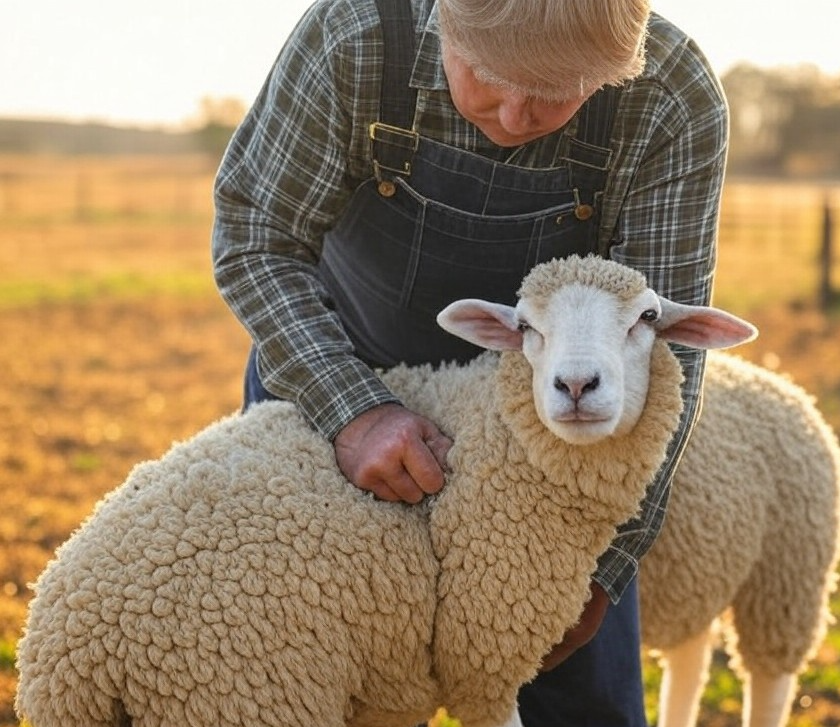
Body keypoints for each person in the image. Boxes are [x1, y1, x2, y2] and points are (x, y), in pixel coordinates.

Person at [211, 0, 728, 724]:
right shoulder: (358, 37)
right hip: (335, 381)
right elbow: (254, 236)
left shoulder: (668, 96)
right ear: (445, 19)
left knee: (584, 704)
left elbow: (663, 351)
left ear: (614, 68)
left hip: (544, 450)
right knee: (298, 682)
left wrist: (607, 562)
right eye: (488, 75)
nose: (516, 115)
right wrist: (353, 411)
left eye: (558, 89)